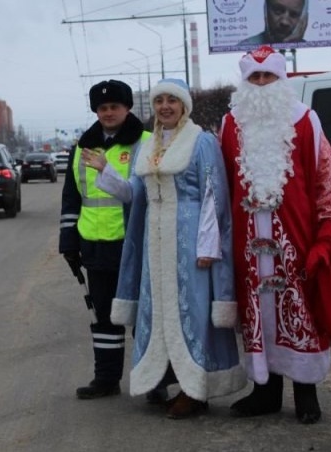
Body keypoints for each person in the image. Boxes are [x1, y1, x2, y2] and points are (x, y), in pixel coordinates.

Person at [219, 45, 331, 424]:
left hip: (295, 239)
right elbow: (223, 184)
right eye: (254, 78)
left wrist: (326, 236)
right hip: (248, 244)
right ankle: (265, 392)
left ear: (282, 79)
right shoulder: (230, 124)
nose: (261, 84)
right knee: (258, 314)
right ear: (244, 82)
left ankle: (306, 394)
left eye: (268, 77)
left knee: (300, 312)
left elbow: (328, 178)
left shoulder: (306, 121)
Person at [106, 78, 247, 419]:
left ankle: (195, 389)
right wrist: (106, 174)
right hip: (155, 246)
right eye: (159, 101)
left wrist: (210, 246)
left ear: (184, 105)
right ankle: (165, 378)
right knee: (160, 313)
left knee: (192, 311)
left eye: (172, 100)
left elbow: (215, 198)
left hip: (190, 242)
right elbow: (136, 197)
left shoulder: (201, 142)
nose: (165, 106)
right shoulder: (147, 145)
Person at [59, 79, 151, 400]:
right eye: (102, 108)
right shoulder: (83, 149)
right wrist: (68, 242)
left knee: (143, 316)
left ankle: (151, 382)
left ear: (127, 108)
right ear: (95, 111)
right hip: (95, 247)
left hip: (135, 246)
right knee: (103, 317)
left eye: (114, 106)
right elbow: (72, 199)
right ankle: (107, 379)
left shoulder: (146, 143)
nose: (108, 112)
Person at [238, 0, 308, 46]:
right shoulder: (244, 48)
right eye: (278, 11)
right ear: (266, 10)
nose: (284, 22)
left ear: (303, 19)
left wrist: (296, 47)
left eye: (293, 14)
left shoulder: (312, 52)